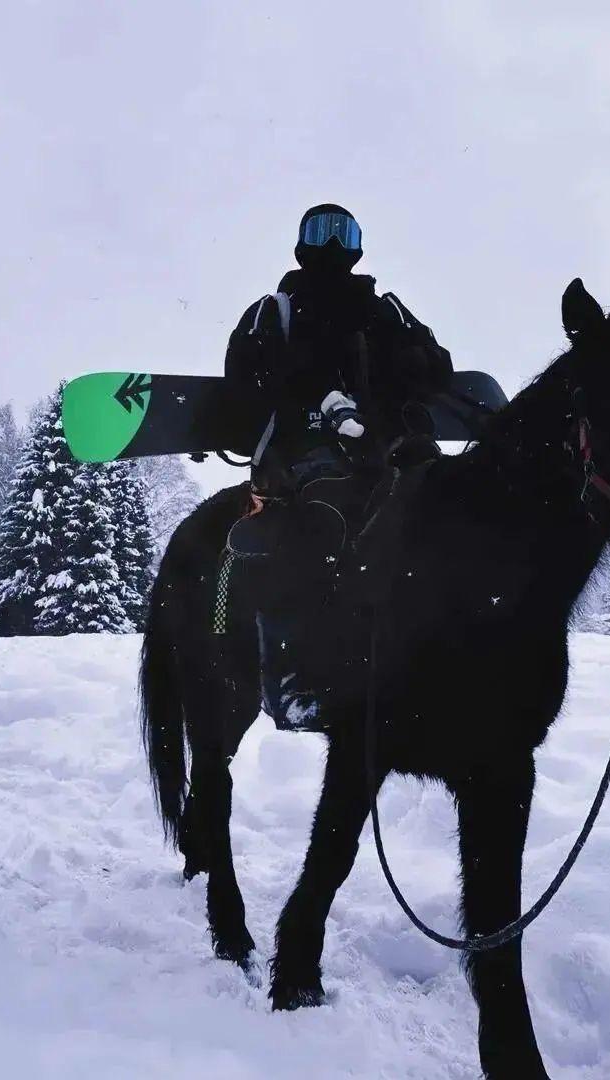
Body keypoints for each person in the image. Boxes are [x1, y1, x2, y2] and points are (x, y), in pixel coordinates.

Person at [223, 203, 454, 729]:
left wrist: (415, 370)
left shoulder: (384, 311)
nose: (330, 244)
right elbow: (242, 382)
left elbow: (438, 367)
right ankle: (295, 677)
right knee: (327, 519)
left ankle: (438, 666)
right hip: (302, 453)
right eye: (319, 231)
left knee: (440, 521)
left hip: (387, 448)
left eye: (341, 232)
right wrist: (314, 403)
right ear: (301, 243)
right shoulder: (275, 311)